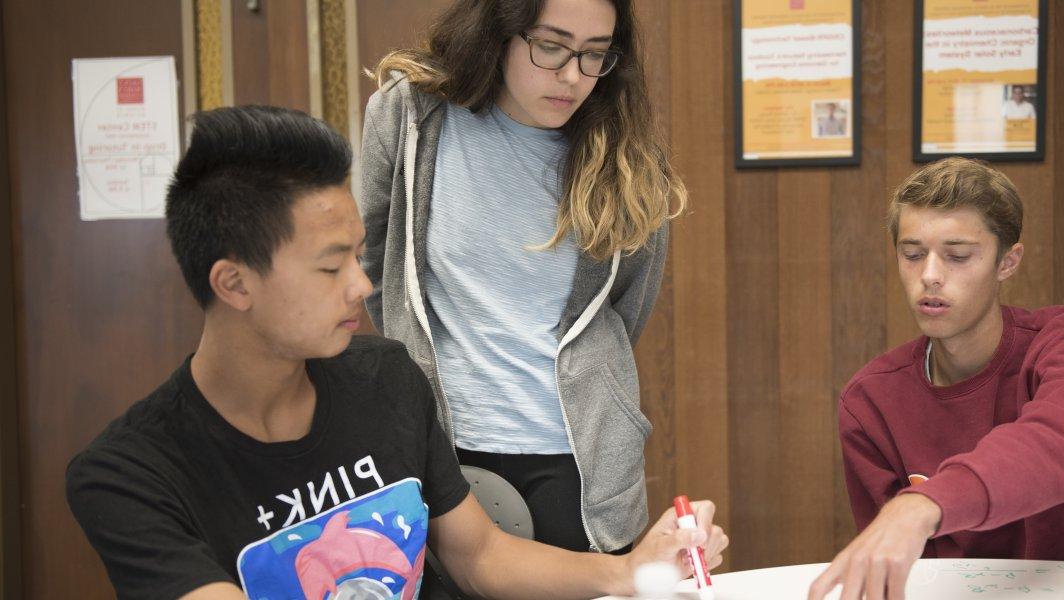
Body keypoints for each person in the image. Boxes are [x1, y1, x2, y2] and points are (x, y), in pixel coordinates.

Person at [65, 106, 726, 600]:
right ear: (234, 283)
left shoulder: (385, 380)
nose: (363, 285)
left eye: (359, 254)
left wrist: (632, 569)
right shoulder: (129, 476)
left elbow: (480, 555)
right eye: (331, 268)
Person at [359, 0, 686, 554]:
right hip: (444, 446)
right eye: (552, 46)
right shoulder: (411, 116)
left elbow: (625, 309)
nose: (572, 76)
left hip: (583, 464)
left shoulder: (629, 158)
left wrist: (593, 382)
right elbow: (378, 264)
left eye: (595, 55)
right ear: (498, 32)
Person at [809, 157, 1064, 600]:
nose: (930, 275)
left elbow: (1052, 444)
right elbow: (902, 569)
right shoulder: (870, 400)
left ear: (1007, 262)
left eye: (957, 256)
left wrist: (924, 503)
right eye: (912, 254)